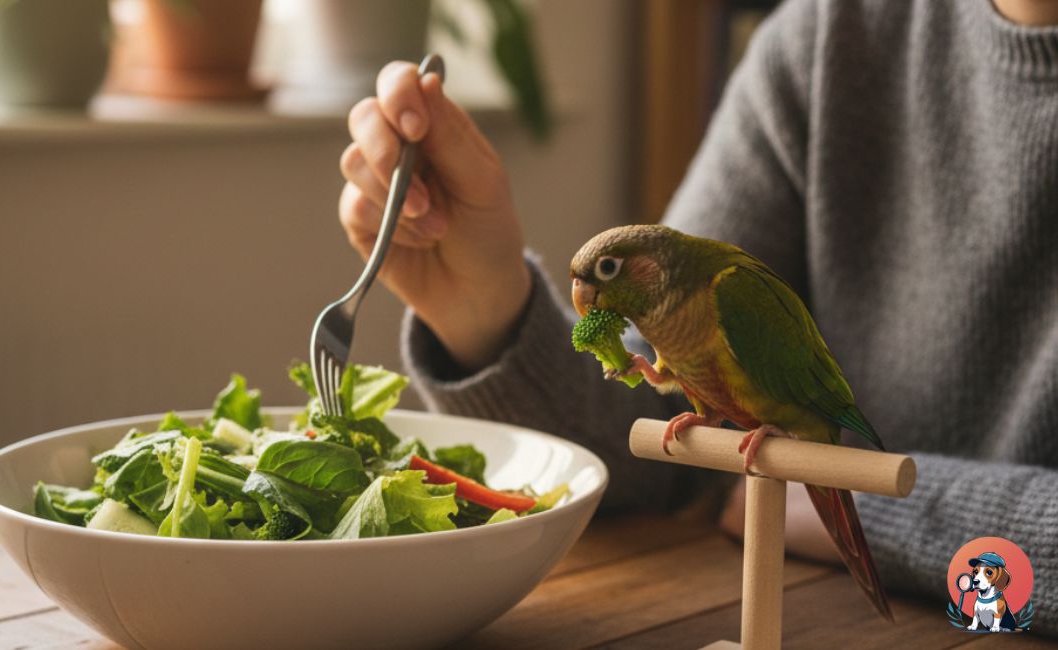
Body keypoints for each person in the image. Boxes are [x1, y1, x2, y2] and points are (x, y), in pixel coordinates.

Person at [337, 0, 1057, 629]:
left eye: (609, 272)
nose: (593, 290)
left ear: (652, 267)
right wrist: (483, 301)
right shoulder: (823, 36)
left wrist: (851, 496)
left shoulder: (732, 293)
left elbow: (754, 474)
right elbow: (650, 465)